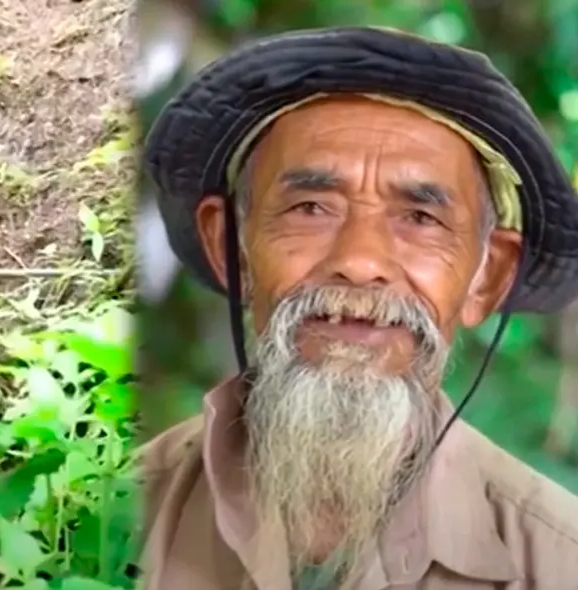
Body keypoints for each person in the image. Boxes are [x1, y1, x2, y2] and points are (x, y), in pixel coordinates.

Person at [138, 27, 578, 589]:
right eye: (311, 207)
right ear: (234, 251)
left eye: (421, 218)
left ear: (486, 278)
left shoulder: (558, 563)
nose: (360, 261)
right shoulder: (87, 524)